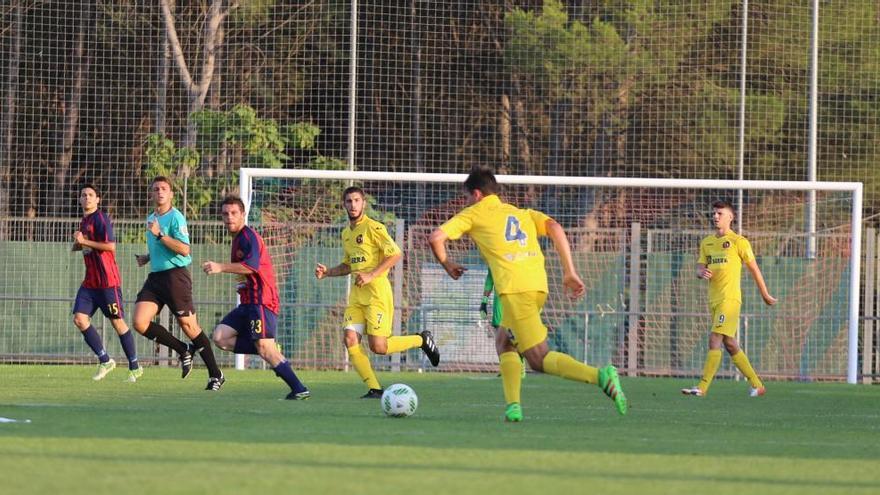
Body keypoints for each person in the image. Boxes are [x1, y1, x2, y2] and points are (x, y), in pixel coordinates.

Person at [428, 168, 627, 422]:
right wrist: (569, 271)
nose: (466, 202)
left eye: (466, 197)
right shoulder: (520, 213)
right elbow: (554, 227)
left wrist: (448, 265)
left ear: (476, 194)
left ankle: (601, 376)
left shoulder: (473, 213)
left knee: (538, 359)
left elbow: (435, 238)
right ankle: (513, 407)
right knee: (505, 341)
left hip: (515, 290)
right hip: (537, 286)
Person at [315, 186, 440, 399]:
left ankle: (421, 340)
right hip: (357, 296)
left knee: (379, 347)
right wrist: (328, 272)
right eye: (348, 201)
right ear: (344, 205)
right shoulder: (346, 233)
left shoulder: (374, 228)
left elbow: (395, 254)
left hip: (376, 294)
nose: (353, 205)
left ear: (363, 203)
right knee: (350, 339)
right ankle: (374, 388)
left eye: (356, 200)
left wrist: (371, 275)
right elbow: (348, 266)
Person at [202, 196, 311, 400]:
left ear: (243, 214)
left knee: (264, 347)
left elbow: (251, 266)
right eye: (225, 213)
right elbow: (247, 272)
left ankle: (299, 388)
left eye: (234, 213)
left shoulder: (248, 236)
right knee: (220, 337)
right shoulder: (237, 239)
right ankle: (270, 350)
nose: (229, 217)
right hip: (248, 302)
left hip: (262, 300)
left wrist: (220, 267)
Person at [132, 176, 224, 390]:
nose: (160, 192)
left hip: (176, 277)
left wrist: (160, 235)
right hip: (156, 278)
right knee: (139, 322)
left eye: (164, 189)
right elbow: (161, 246)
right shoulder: (151, 218)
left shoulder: (176, 218)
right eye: (156, 189)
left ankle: (215, 374)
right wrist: (148, 257)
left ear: (171, 194)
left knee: (190, 327)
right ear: (152, 194)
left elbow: (184, 249)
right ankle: (183, 349)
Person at [681, 200, 777, 397]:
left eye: (720, 213)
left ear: (730, 217)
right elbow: (700, 266)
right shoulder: (706, 242)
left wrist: (765, 294)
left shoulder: (739, 242)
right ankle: (757, 385)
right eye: (714, 213)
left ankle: (702, 387)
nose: (715, 216)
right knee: (730, 343)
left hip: (730, 299)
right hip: (714, 300)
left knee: (714, 337)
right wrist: (701, 273)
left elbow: (754, 269)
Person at [71, 184, 142, 382]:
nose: (86, 198)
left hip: (107, 282)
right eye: (83, 195)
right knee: (79, 319)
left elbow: (110, 246)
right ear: (80, 199)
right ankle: (105, 360)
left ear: (98, 199)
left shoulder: (100, 219)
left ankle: (134, 366)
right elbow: (86, 246)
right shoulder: (84, 221)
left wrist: (85, 242)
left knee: (117, 322)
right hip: (90, 282)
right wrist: (77, 244)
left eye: (90, 195)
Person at [480, 269, 525, 379]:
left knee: (515, 336)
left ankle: (521, 367)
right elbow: (490, 280)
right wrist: (484, 302)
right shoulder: (493, 259)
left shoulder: (516, 257)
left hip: (515, 301)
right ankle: (505, 368)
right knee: (500, 338)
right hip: (499, 303)